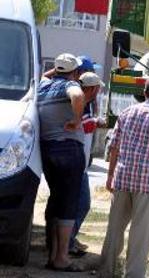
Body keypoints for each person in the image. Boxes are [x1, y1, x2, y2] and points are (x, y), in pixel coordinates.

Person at [99, 78, 149, 278]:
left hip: (122, 178)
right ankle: (134, 274)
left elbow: (114, 148)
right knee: (141, 234)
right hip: (146, 183)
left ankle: (105, 271)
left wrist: (110, 176)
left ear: (144, 92)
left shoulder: (127, 113)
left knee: (114, 229)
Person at [38, 53, 86, 272]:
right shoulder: (70, 86)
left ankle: (52, 255)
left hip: (47, 150)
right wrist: (77, 119)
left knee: (56, 201)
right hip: (68, 149)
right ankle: (62, 258)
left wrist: (56, 70)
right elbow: (77, 95)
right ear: (75, 73)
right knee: (68, 204)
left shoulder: (42, 88)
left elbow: (44, 75)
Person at [69, 57, 105, 257]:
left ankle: (69, 239)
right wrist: (99, 122)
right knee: (83, 203)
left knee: (74, 204)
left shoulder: (82, 99)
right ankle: (67, 243)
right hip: (76, 160)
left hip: (79, 159)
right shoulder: (80, 100)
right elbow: (82, 125)